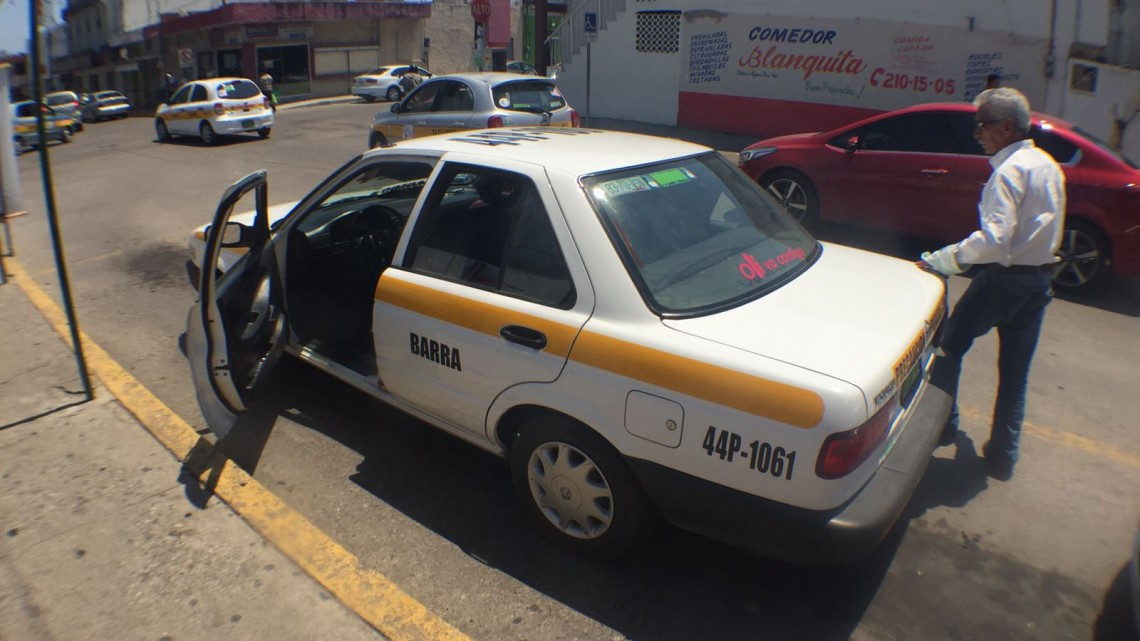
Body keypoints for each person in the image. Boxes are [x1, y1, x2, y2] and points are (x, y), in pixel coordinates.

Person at [920, 87, 1066, 481]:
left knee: (948, 349)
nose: (977, 135)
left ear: (1005, 127)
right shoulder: (1048, 165)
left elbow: (994, 240)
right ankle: (1003, 457)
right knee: (1015, 374)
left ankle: (941, 428)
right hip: (1038, 284)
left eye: (982, 126)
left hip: (1003, 281)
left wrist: (943, 260)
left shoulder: (1008, 173)